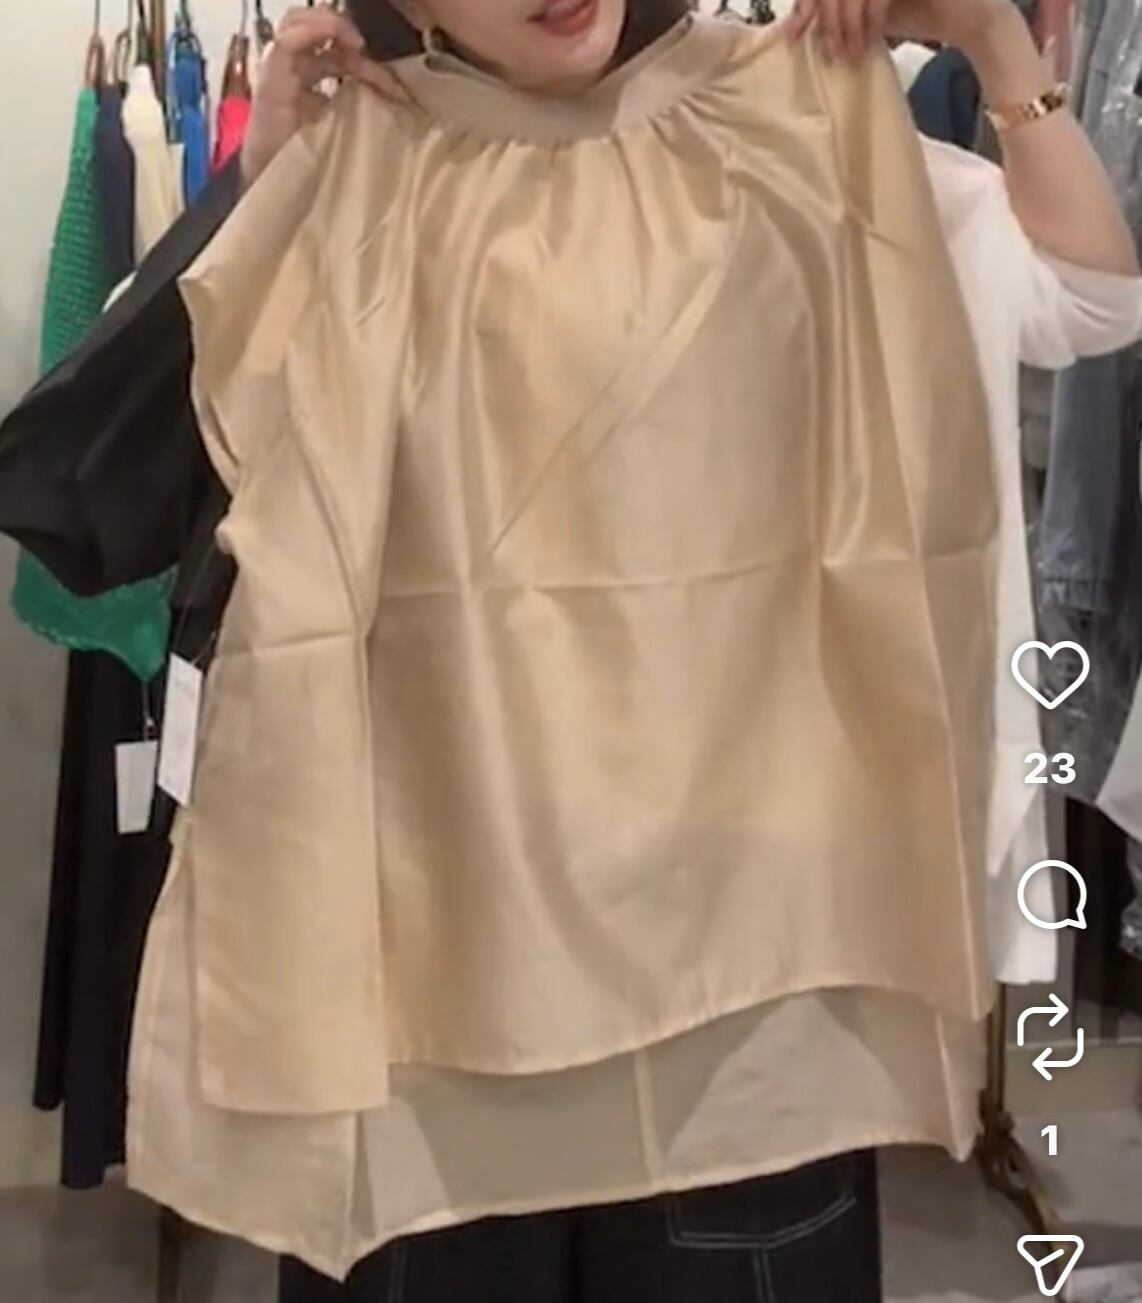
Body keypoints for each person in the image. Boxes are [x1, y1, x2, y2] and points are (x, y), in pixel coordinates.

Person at [2, 3, 1142, 1302]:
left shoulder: (784, 120)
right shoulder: (352, 165)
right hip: (440, 1016)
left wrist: (995, 48)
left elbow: (1090, 299)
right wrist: (271, 180)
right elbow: (107, 481)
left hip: (748, 1011)